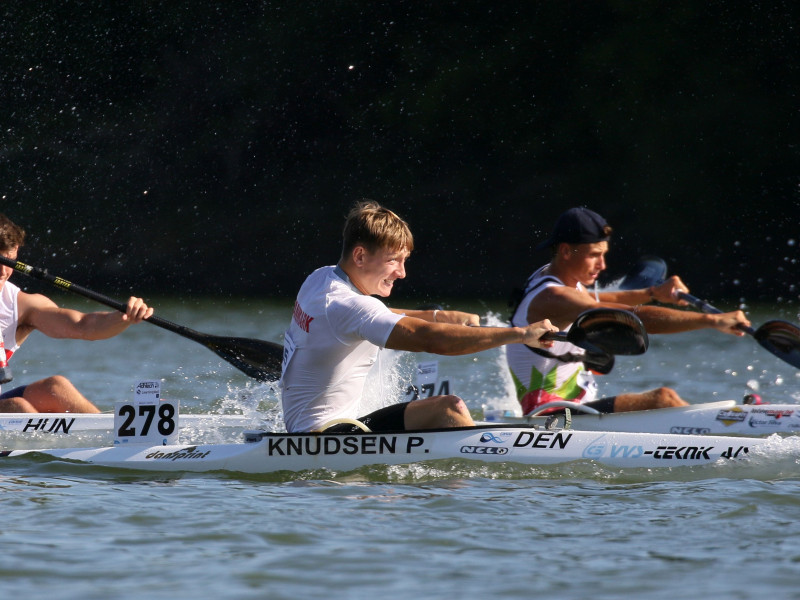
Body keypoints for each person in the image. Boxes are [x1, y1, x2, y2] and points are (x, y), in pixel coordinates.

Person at [281, 200, 559, 433]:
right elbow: (427, 339)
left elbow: (375, 316)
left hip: (312, 428)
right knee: (448, 408)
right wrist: (522, 335)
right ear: (360, 256)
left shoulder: (321, 280)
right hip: (325, 436)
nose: (401, 273)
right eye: (393, 261)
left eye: (404, 261)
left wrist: (436, 316)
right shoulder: (350, 307)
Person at [507, 206, 751, 415]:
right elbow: (631, 317)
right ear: (566, 251)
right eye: (594, 255)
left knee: (663, 400)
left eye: (603, 255)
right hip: (548, 416)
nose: (602, 265)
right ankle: (727, 429)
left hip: (574, 408)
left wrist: (653, 293)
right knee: (662, 399)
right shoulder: (553, 296)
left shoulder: (553, 276)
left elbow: (597, 297)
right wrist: (712, 320)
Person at [0, 213, 154, 413]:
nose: (3, 272)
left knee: (56, 387)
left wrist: (123, 317)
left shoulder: (22, 305)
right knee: (18, 407)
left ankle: (112, 440)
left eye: (10, 261)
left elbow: (84, 326)